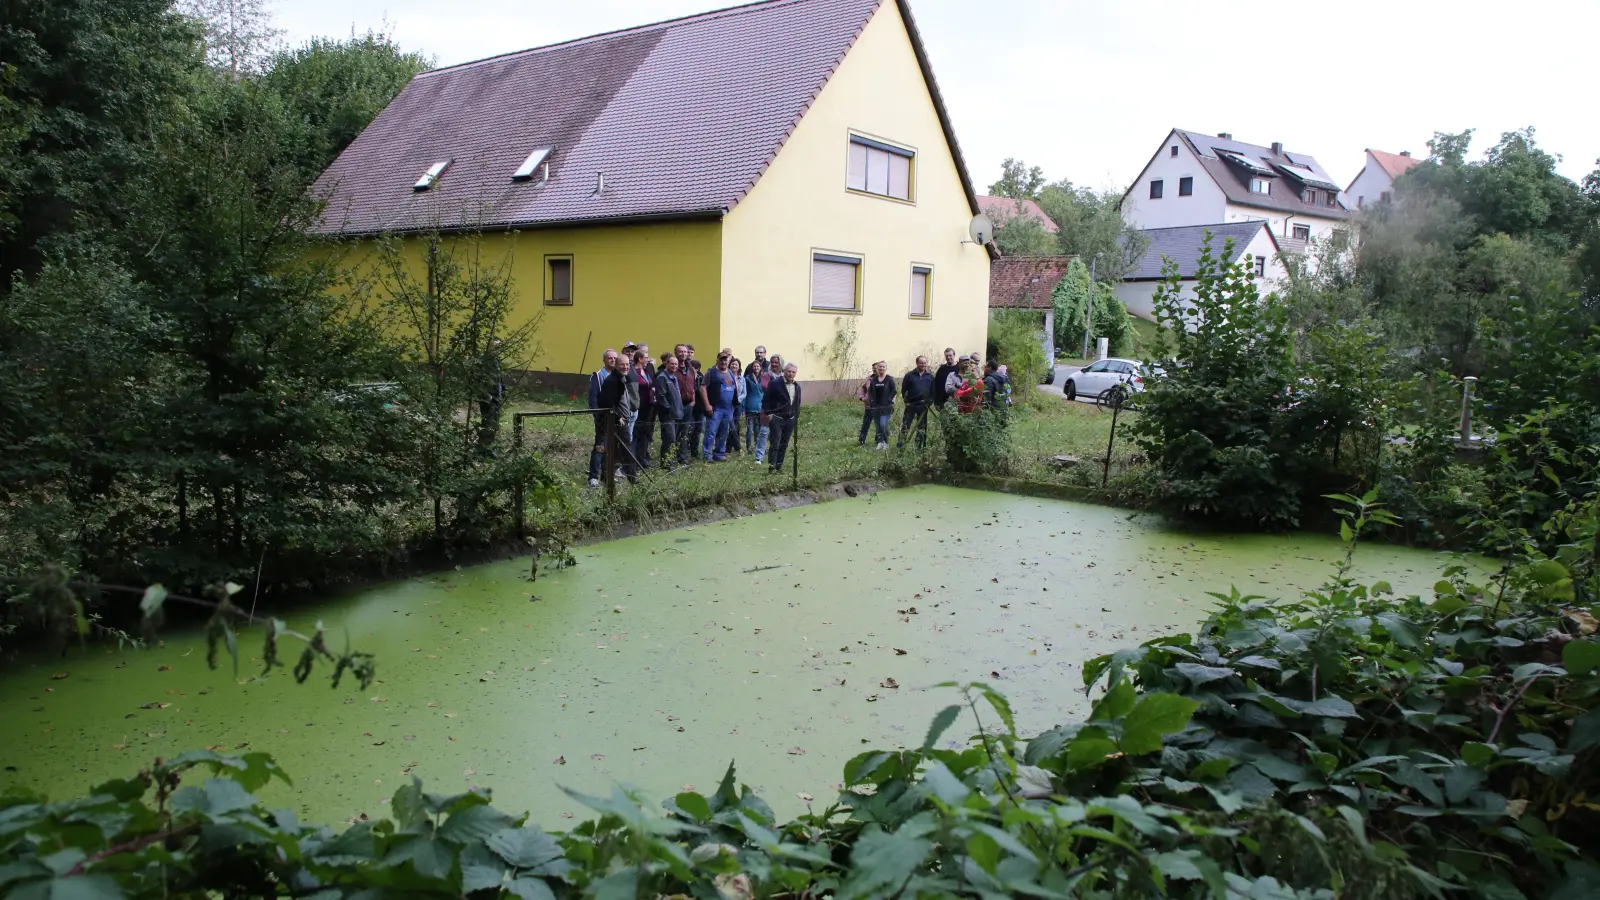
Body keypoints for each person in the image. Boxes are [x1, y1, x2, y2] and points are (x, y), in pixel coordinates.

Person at [585, 348, 619, 487]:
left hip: (616, 417)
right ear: (604, 360)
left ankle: (607, 475)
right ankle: (593, 477)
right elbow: (593, 398)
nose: (613, 360)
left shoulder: (618, 375)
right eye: (610, 358)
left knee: (611, 447)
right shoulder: (598, 376)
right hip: (603, 417)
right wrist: (597, 415)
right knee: (600, 446)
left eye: (615, 358)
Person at [699, 351, 738, 462]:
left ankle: (719, 453)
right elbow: (702, 388)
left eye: (725, 360)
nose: (723, 362)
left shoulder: (730, 373)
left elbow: (733, 388)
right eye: (721, 359)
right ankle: (707, 454)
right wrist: (707, 405)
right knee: (711, 432)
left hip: (728, 408)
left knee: (724, 432)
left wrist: (734, 405)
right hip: (715, 408)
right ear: (717, 360)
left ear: (728, 361)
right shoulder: (711, 372)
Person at [764, 361, 802, 474]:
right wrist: (769, 414)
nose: (791, 374)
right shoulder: (775, 383)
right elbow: (766, 400)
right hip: (777, 418)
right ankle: (772, 468)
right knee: (775, 444)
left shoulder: (797, 386)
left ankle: (779, 466)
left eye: (793, 372)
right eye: (789, 371)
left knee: (784, 444)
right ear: (784, 371)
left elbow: (797, 403)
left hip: (790, 419)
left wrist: (795, 417)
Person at [654, 352, 684, 471]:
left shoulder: (674, 377)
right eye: (672, 363)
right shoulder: (662, 377)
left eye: (676, 364)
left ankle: (669, 461)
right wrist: (669, 409)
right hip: (668, 415)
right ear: (666, 364)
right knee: (669, 439)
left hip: (677, 414)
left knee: (673, 439)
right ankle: (666, 463)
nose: (674, 366)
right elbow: (661, 396)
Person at [857, 360, 896, 450]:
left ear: (885, 368)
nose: (880, 368)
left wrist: (890, 401)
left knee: (883, 424)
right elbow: (868, 390)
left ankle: (885, 442)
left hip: (886, 407)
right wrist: (865, 399)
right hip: (873, 407)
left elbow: (893, 391)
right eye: (879, 367)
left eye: (883, 367)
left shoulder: (889, 379)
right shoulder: (872, 380)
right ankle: (877, 442)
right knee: (876, 426)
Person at [672, 344, 699, 466]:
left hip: (688, 405)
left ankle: (682, 457)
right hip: (675, 405)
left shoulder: (690, 368)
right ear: (676, 353)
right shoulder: (672, 367)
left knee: (685, 432)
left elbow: (693, 385)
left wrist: (693, 400)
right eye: (681, 352)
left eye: (685, 352)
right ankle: (670, 457)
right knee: (673, 433)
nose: (683, 354)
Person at [477, 337, 505, 455]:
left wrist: (503, 390)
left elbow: (498, 378)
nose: (498, 350)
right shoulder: (483, 361)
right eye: (496, 347)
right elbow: (478, 382)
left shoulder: (496, 361)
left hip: (497, 397)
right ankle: (482, 449)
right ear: (490, 347)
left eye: (499, 348)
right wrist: (489, 397)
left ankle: (489, 447)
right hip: (488, 398)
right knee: (487, 423)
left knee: (494, 424)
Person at [898, 355, 933, 450]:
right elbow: (904, 390)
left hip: (923, 405)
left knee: (922, 427)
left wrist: (930, 401)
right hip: (911, 405)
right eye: (921, 363)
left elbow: (933, 391)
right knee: (906, 425)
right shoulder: (909, 375)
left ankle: (919, 447)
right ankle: (901, 446)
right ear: (917, 363)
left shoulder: (930, 376)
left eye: (925, 363)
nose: (923, 365)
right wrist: (906, 402)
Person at [631, 349, 655, 469]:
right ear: (640, 359)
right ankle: (633, 459)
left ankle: (642, 458)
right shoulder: (633, 372)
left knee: (645, 433)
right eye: (646, 357)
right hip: (638, 407)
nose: (648, 359)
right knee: (636, 433)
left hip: (648, 407)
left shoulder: (645, 371)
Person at [743, 353, 769, 463]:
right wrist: (743, 407)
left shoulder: (764, 378)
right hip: (750, 406)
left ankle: (758, 447)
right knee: (749, 428)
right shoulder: (747, 378)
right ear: (752, 368)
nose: (756, 368)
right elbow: (745, 392)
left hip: (760, 406)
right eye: (754, 366)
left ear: (761, 367)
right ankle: (749, 447)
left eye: (758, 366)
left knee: (758, 428)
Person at [727, 355, 745, 454]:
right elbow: (728, 390)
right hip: (729, 404)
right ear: (730, 365)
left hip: (738, 405)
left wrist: (738, 399)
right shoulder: (727, 377)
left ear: (739, 367)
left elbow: (744, 393)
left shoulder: (742, 379)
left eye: (736, 364)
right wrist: (732, 399)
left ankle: (728, 449)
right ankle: (738, 448)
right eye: (733, 364)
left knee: (735, 426)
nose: (734, 366)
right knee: (732, 426)